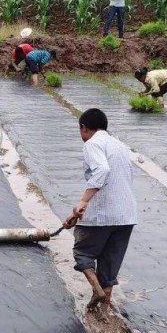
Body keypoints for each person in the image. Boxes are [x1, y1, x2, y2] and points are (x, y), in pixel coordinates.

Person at [62, 108, 137, 310]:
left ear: (83, 128)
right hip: (126, 215)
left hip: (102, 214)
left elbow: (102, 169)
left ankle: (96, 288)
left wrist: (83, 202)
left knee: (83, 252)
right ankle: (105, 311)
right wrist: (74, 214)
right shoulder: (119, 145)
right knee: (110, 265)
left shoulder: (92, 143)